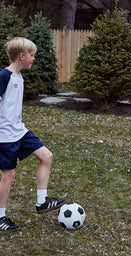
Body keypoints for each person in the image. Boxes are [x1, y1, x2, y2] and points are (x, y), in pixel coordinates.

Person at [0, 37, 66, 231]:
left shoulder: (19, 77)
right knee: (9, 176)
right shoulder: (4, 76)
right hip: (5, 137)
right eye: (32, 55)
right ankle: (0, 217)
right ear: (22, 56)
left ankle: (42, 202)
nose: (33, 59)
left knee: (47, 156)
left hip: (20, 132)